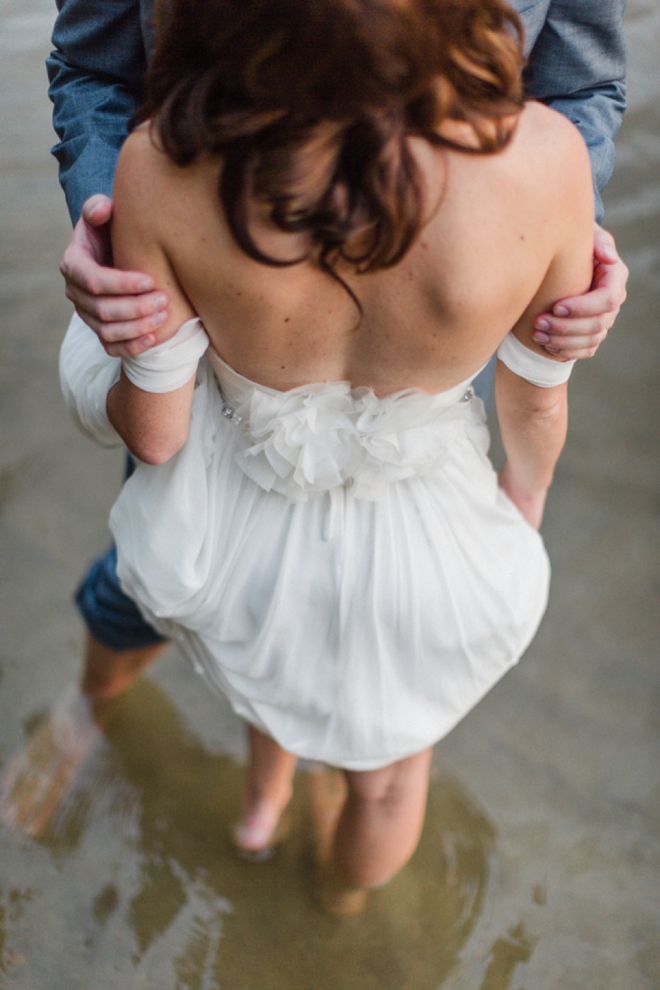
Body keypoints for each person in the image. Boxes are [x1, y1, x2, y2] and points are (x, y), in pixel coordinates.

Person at [59, 0, 600, 912]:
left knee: (269, 674)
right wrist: (524, 500)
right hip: (427, 535)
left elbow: (156, 435)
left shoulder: (165, 165)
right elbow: (538, 398)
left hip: (243, 533)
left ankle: (260, 809)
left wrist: (95, 361)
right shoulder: (542, 160)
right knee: (390, 776)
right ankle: (340, 910)